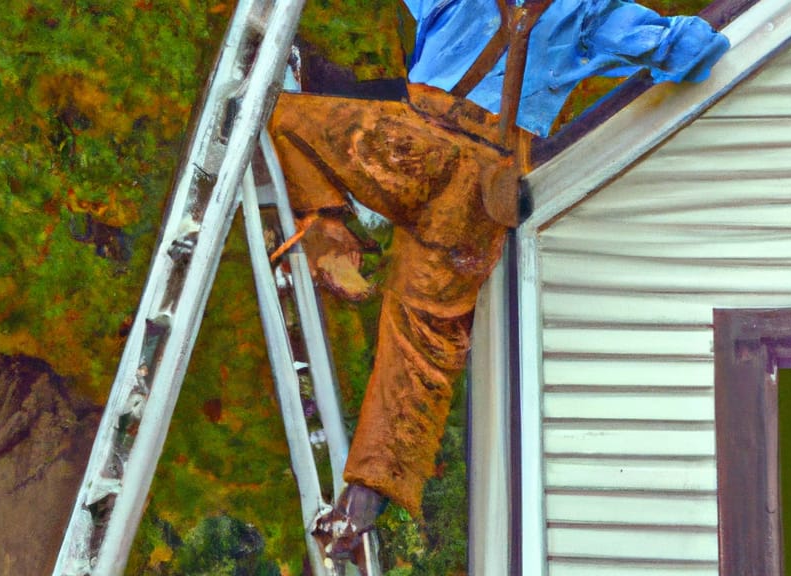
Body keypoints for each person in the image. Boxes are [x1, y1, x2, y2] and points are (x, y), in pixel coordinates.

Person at [268, 0, 729, 564]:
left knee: (284, 119)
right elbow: (694, 52)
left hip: (409, 144)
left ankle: (329, 235)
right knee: (423, 339)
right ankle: (362, 502)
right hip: (484, 188)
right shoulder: (592, 10)